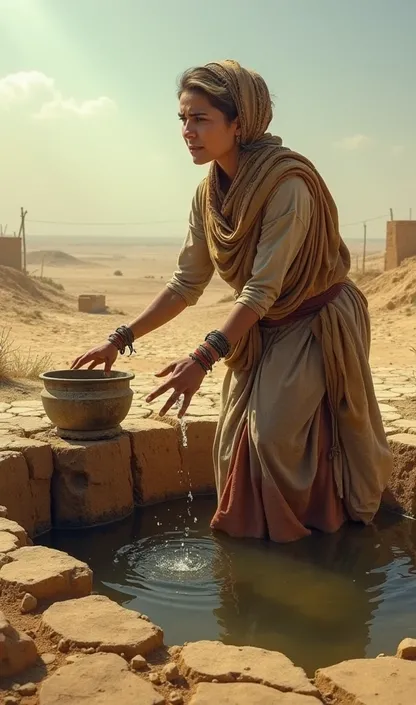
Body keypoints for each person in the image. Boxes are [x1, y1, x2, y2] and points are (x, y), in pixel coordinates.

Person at [72, 59, 393, 543]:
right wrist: (119, 339)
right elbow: (186, 283)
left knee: (275, 437)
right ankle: (256, 546)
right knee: (231, 443)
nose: (188, 131)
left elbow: (261, 289)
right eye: (183, 119)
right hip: (260, 324)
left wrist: (202, 359)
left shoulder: (287, 184)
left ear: (239, 123)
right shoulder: (207, 195)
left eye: (201, 119)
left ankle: (319, 539)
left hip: (314, 318)